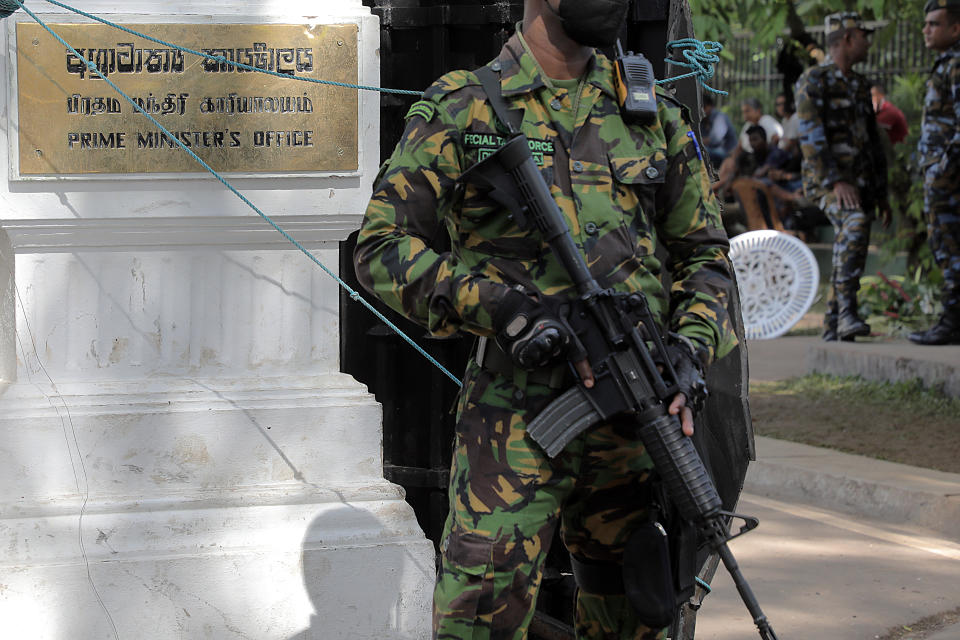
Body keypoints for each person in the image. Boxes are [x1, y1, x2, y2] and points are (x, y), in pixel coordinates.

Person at [353, 0, 737, 636]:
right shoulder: (465, 106)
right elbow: (382, 249)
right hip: (514, 419)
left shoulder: (652, 113)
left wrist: (689, 353)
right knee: (481, 614)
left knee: (635, 615)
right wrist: (500, 308)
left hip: (637, 420)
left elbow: (707, 258)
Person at [795, 12, 890, 342]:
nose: (868, 42)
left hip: (859, 182)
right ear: (847, 39)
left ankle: (834, 322)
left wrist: (881, 193)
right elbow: (811, 137)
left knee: (855, 235)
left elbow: (872, 141)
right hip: (827, 182)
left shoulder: (861, 84)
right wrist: (836, 180)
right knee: (853, 224)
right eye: (864, 35)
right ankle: (847, 311)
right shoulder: (814, 80)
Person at [910, 0, 960, 345]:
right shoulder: (947, 62)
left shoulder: (956, 64)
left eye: (934, 24)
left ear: (956, 28)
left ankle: (952, 321)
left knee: (950, 247)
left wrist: (942, 169)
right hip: (943, 174)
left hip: (950, 178)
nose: (926, 29)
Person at [701, 93, 738, 166]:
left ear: (710, 106)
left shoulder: (720, 117)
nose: (701, 111)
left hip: (727, 152)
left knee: (703, 152)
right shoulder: (703, 120)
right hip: (713, 151)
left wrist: (700, 141)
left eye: (703, 108)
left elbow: (715, 140)